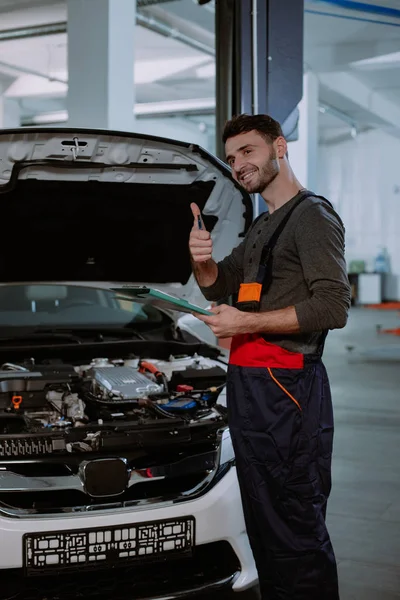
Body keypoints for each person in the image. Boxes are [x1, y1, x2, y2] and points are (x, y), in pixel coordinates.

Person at [189, 114, 351, 600]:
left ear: (279, 147)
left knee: (295, 525)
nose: (239, 164)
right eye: (233, 156)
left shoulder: (312, 217)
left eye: (249, 151)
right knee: (263, 521)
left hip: (288, 392)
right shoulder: (263, 225)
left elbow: (333, 305)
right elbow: (223, 283)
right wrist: (202, 261)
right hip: (252, 389)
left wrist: (246, 323)